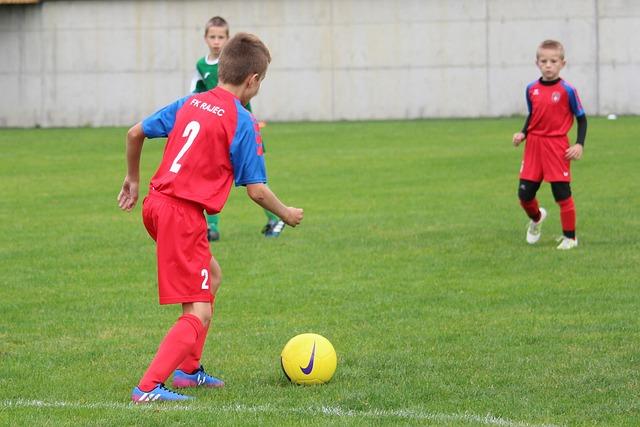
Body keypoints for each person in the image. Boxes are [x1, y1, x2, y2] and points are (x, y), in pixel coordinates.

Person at [117, 33, 304, 402]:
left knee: (212, 276)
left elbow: (135, 132)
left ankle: (188, 371)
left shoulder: (192, 101)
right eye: (260, 82)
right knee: (198, 311)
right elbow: (256, 190)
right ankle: (149, 387)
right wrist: (286, 213)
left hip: (156, 204)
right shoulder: (242, 121)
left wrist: (133, 179)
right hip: (182, 215)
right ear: (252, 80)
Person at [191, 16, 285, 241]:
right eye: (212, 37)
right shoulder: (201, 66)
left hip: (240, 129)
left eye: (221, 37)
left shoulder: (236, 63)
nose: (216, 41)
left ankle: (276, 217)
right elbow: (194, 93)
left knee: (254, 179)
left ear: (228, 39)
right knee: (211, 174)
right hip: (215, 129)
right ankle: (211, 227)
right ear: (205, 38)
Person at [512, 39, 587, 250]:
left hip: (556, 146)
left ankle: (570, 238)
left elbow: (582, 118)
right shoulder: (531, 89)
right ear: (537, 63)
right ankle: (536, 219)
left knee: (561, 194)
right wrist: (523, 133)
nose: (548, 65)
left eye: (553, 61)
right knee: (524, 195)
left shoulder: (568, 90)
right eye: (544, 61)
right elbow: (533, 115)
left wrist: (579, 144)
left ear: (562, 63)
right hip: (534, 146)